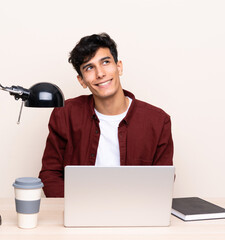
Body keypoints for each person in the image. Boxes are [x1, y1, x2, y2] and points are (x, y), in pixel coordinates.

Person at [38, 33, 173, 197]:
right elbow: (50, 174)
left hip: (134, 214)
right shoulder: (65, 115)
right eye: (89, 67)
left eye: (106, 62)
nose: (100, 73)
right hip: (80, 213)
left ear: (119, 67)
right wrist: (74, 208)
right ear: (81, 80)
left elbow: (162, 181)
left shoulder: (158, 121)